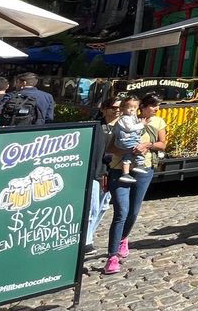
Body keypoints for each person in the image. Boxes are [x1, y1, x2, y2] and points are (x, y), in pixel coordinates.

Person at [103, 93, 166, 274]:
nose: (156, 109)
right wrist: (126, 149)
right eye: (153, 105)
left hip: (143, 170)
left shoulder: (158, 123)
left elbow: (162, 144)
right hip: (119, 169)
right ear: (140, 107)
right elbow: (109, 147)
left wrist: (147, 146)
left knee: (133, 211)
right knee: (121, 211)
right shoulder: (121, 122)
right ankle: (112, 256)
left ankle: (123, 238)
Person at [84, 97, 121, 247]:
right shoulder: (97, 127)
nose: (117, 110)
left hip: (113, 171)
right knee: (92, 207)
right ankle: (87, 242)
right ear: (104, 109)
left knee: (104, 205)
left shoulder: (122, 127)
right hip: (97, 171)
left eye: (119, 108)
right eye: (113, 107)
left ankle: (89, 235)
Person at [111, 97, 146, 185]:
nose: (132, 109)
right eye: (129, 107)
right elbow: (130, 128)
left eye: (135, 107)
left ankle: (125, 174)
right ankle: (139, 164)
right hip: (126, 140)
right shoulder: (125, 118)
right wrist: (141, 124)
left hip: (125, 141)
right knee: (138, 150)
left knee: (127, 157)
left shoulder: (131, 117)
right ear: (123, 108)